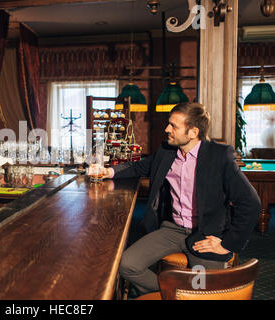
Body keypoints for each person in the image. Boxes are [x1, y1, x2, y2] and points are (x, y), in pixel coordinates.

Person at [88, 102, 261, 297]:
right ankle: (176, 293)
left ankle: (185, 293)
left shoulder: (219, 156)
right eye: (168, 124)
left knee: (202, 291)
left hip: (206, 235)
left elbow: (251, 203)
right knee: (126, 266)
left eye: (173, 126)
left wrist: (227, 243)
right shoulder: (167, 150)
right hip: (172, 229)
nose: (166, 129)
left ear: (193, 132)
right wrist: (107, 171)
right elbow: (139, 167)